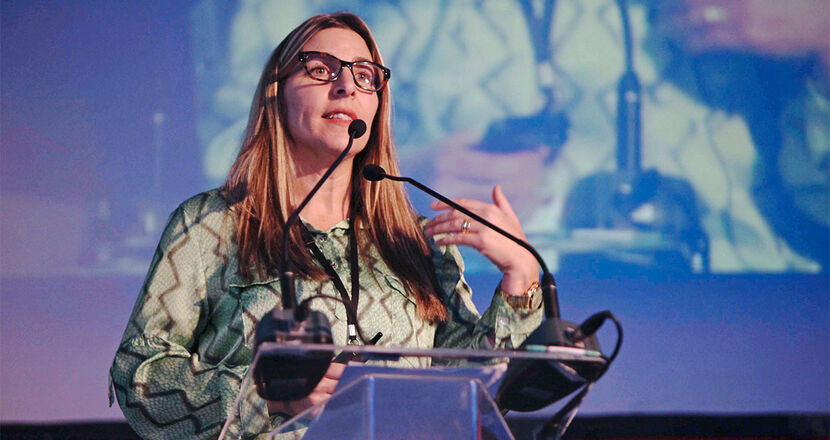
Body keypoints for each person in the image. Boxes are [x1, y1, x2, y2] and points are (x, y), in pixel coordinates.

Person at [109, 12, 543, 439]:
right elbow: (138, 375)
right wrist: (267, 396)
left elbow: (463, 390)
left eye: (365, 76)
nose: (346, 85)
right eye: (321, 70)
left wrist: (519, 280)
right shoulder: (212, 225)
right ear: (276, 94)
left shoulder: (415, 240)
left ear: (377, 105)